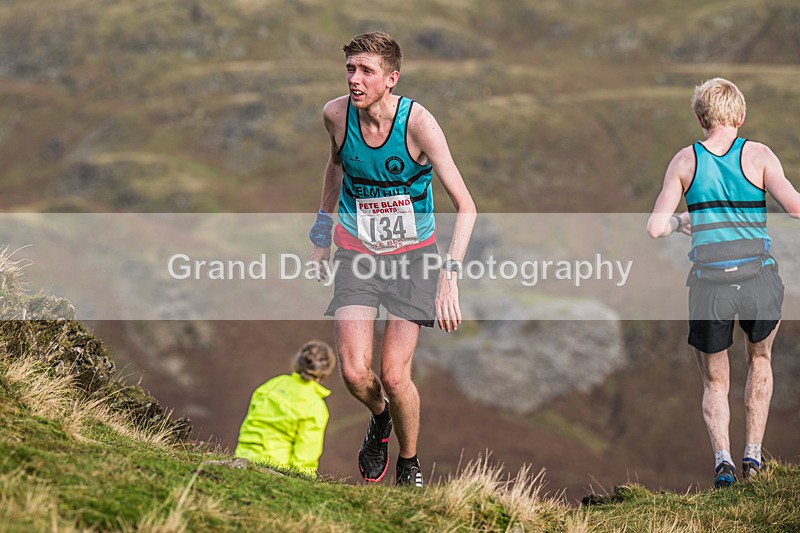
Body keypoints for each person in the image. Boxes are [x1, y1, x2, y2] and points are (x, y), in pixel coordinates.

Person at [308, 32, 476, 487]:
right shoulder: (335, 115)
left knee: (395, 375)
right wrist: (321, 236)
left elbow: (467, 205)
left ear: (391, 78)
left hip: (414, 259)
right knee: (354, 372)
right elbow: (334, 168)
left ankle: (410, 461)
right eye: (350, 70)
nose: (354, 80)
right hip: (358, 254)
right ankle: (379, 417)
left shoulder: (419, 124)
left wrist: (450, 278)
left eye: (366, 71)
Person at [646, 77, 800, 488]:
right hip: (758, 278)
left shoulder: (685, 161)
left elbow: (655, 228)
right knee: (760, 360)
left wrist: (682, 221)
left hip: (709, 284)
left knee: (715, 379)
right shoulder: (761, 155)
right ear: (741, 115)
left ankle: (723, 464)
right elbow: (796, 207)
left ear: (700, 119)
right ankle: (753, 456)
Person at [234, 340, 336, 475]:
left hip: (242, 457)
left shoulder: (271, 385)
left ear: (297, 361)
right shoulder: (315, 406)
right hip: (275, 469)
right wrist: (304, 483)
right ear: (326, 372)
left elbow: (249, 422)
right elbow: (305, 456)